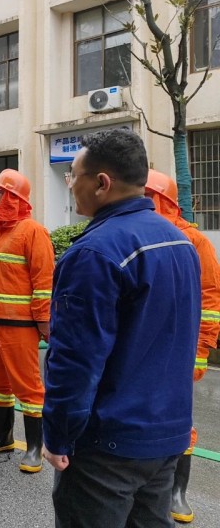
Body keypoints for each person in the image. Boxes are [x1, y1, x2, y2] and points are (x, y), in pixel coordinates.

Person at [43, 130, 201, 527]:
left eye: (73, 175)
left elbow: (76, 360)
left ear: (101, 183)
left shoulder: (94, 253)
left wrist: (59, 435)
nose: (70, 185)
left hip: (107, 447)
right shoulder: (180, 242)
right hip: (166, 437)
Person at [145, 169, 220, 524]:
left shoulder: (195, 241)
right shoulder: (131, 234)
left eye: (148, 196)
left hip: (180, 348)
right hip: (140, 348)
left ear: (164, 200)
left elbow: (210, 300)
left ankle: (178, 490)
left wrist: (201, 348)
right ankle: (146, 488)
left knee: (178, 418)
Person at [0, 168, 54, 474]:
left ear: (14, 197)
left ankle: (35, 447)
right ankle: (2, 436)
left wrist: (43, 320)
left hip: (19, 325)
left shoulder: (33, 232)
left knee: (28, 386)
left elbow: (43, 280)